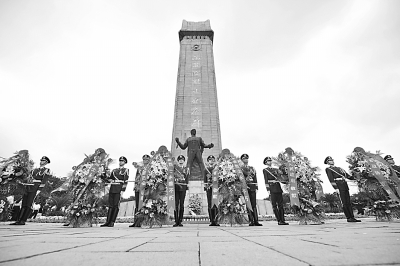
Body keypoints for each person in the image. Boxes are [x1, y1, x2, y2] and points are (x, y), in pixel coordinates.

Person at [11, 156, 51, 225]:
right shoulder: (34, 170)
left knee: (28, 204)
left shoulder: (46, 170)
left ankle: (23, 220)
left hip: (35, 188)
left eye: (43, 160)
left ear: (46, 162)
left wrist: (39, 190)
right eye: (41, 160)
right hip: (28, 187)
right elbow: (28, 178)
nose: (41, 161)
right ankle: (19, 220)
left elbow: (44, 181)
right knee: (24, 204)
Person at [324, 156, 361, 222]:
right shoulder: (328, 169)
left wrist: (356, 178)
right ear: (327, 162)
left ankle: (352, 217)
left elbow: (347, 176)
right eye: (330, 160)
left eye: (332, 160)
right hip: (339, 186)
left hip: (345, 185)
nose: (332, 161)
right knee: (344, 202)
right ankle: (348, 217)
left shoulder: (340, 168)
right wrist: (336, 188)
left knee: (348, 202)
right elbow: (331, 179)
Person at [101, 156, 129, 227]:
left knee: (116, 205)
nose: (121, 162)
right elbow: (109, 179)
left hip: (119, 188)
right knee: (110, 205)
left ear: (125, 162)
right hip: (112, 188)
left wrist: (122, 190)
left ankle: (112, 221)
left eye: (122, 161)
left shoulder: (126, 170)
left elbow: (125, 181)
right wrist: (104, 172)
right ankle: (108, 221)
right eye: (120, 161)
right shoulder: (114, 170)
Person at [262, 156, 289, 225]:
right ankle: (279, 220)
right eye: (268, 161)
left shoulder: (276, 169)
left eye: (270, 161)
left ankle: (283, 220)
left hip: (278, 187)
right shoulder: (265, 170)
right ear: (265, 163)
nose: (269, 162)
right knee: (274, 205)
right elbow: (266, 180)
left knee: (281, 205)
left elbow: (280, 177)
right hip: (271, 188)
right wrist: (268, 190)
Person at [240, 154, 262, 226]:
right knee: (248, 204)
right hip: (245, 188)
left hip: (252, 187)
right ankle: (251, 220)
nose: (246, 160)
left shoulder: (252, 168)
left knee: (254, 205)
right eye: (244, 159)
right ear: (242, 160)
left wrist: (256, 187)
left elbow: (255, 178)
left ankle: (256, 220)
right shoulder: (241, 169)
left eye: (246, 159)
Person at [129, 154, 151, 227]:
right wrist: (135, 185)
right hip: (138, 188)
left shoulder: (151, 168)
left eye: (146, 160)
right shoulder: (140, 168)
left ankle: (143, 221)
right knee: (137, 205)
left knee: (144, 205)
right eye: (144, 159)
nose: (145, 161)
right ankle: (136, 222)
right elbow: (137, 177)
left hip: (146, 189)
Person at [173, 155, 189, 227]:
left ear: (184, 161)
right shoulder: (175, 169)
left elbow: (187, 178)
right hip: (176, 187)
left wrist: (187, 185)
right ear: (178, 161)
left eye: (182, 160)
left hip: (183, 188)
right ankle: (176, 221)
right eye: (179, 160)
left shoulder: (186, 169)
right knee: (176, 204)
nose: (181, 161)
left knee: (181, 204)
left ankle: (180, 221)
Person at [204, 155, 219, 226]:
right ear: (208, 161)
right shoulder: (206, 169)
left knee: (216, 203)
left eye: (212, 159)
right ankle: (211, 220)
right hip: (209, 188)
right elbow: (204, 179)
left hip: (216, 188)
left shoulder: (217, 169)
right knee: (210, 203)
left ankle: (216, 220)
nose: (211, 161)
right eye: (210, 160)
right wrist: (205, 187)